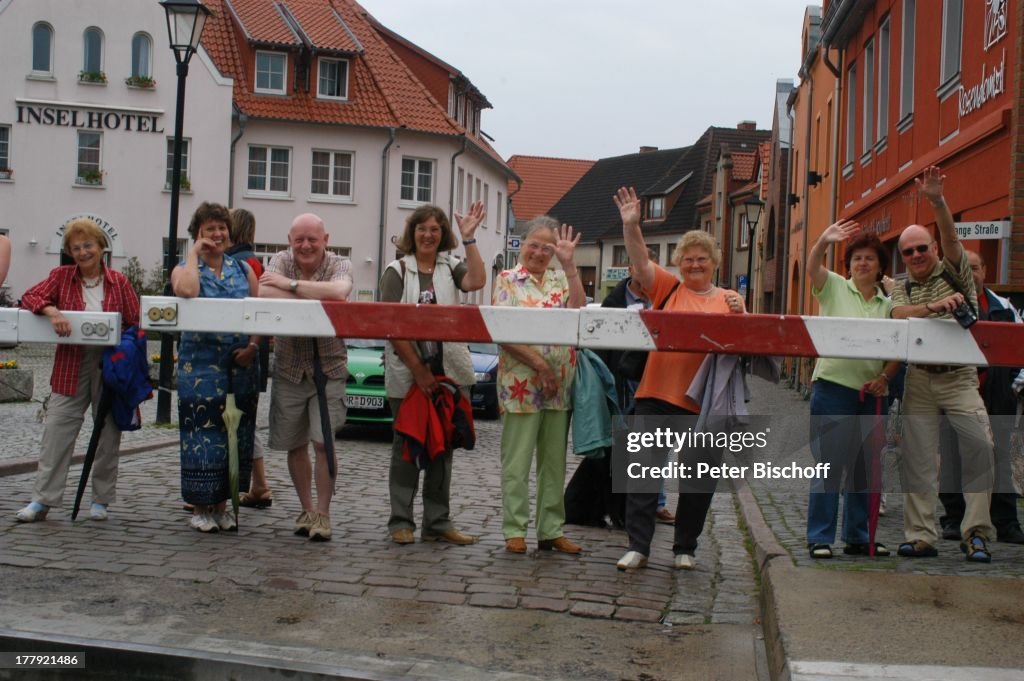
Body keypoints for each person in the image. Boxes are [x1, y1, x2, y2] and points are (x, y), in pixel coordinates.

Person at [612, 186, 746, 571]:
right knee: (641, 476)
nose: (694, 265)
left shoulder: (729, 300)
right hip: (656, 393)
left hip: (704, 403)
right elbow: (639, 263)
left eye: (702, 259)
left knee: (697, 483)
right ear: (679, 264)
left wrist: (741, 316)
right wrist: (631, 225)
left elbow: (742, 352)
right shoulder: (668, 289)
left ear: (715, 262)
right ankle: (638, 546)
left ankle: (685, 548)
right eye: (687, 259)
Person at [890, 165, 995, 563]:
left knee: (981, 447)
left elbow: (952, 237)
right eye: (908, 251)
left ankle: (977, 533)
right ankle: (921, 536)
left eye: (922, 248)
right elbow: (898, 314)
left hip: (958, 378)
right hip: (919, 378)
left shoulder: (955, 271)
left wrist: (936, 200)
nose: (916, 255)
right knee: (917, 458)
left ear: (933, 250)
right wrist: (933, 307)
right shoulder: (903, 284)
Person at [16, 219, 140, 522]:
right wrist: (51, 311)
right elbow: (30, 296)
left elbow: (136, 321)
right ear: (70, 252)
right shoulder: (60, 277)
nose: (83, 252)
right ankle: (43, 499)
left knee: (108, 434)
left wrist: (123, 351)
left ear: (101, 247)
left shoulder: (118, 282)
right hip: (71, 361)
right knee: (58, 429)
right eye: (76, 247)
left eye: (88, 245)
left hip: (109, 364)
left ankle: (101, 499)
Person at [380, 201, 486, 546]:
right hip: (409, 374)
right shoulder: (396, 271)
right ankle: (400, 520)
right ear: (412, 232)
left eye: (435, 229)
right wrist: (418, 371)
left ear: (443, 236)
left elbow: (478, 280)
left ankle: (438, 521)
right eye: (422, 228)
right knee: (407, 446)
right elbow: (392, 327)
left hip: (450, 373)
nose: (428, 235)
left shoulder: (451, 266)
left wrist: (470, 240)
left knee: (444, 448)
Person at [803, 220, 902, 559]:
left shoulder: (888, 307)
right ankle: (820, 537)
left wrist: (885, 378)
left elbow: (897, 351)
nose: (862, 263)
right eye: (857, 258)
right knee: (828, 466)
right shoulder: (833, 287)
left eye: (869, 259)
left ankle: (859, 536)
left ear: (880, 267)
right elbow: (813, 266)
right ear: (849, 265)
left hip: (872, 395)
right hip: (833, 389)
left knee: (864, 467)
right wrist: (823, 240)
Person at [493, 215, 586, 554]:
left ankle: (550, 530)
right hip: (522, 384)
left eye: (547, 248)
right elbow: (503, 330)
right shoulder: (508, 280)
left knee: (553, 463)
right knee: (517, 462)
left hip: (558, 387)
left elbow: (578, 311)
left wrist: (570, 265)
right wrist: (539, 365)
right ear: (522, 245)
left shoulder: (561, 279)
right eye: (534, 245)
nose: (539, 253)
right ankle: (514, 529)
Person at [260, 213, 352, 542]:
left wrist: (290, 285)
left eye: (312, 239)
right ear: (289, 239)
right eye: (299, 239)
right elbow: (262, 292)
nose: (305, 245)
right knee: (295, 444)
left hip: (328, 366)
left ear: (325, 239)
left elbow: (340, 292)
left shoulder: (340, 263)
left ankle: (324, 515)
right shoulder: (280, 259)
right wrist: (315, 294)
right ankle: (306, 509)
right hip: (289, 367)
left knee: (323, 443)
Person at [173, 202, 260, 533]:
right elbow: (187, 290)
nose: (218, 234)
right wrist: (195, 253)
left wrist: (253, 346)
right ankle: (199, 507)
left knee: (234, 435)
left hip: (239, 365)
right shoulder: (184, 268)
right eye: (210, 228)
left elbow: (258, 310)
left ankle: (223, 506)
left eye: (221, 227)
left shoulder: (244, 270)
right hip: (200, 367)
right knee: (202, 435)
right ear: (199, 233)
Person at [938, 250, 1024, 544]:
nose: (971, 274)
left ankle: (1006, 522)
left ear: (985, 270)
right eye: (966, 269)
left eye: (975, 267)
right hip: (955, 392)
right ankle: (953, 518)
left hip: (996, 395)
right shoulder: (946, 306)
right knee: (952, 457)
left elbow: (1020, 347)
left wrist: (1014, 385)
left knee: (1000, 457)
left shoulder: (1003, 308)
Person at [226, 207, 274, 510]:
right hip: (254, 351)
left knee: (239, 421)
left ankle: (254, 484)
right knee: (246, 421)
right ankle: (259, 485)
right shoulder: (252, 260)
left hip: (243, 352)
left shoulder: (241, 264)